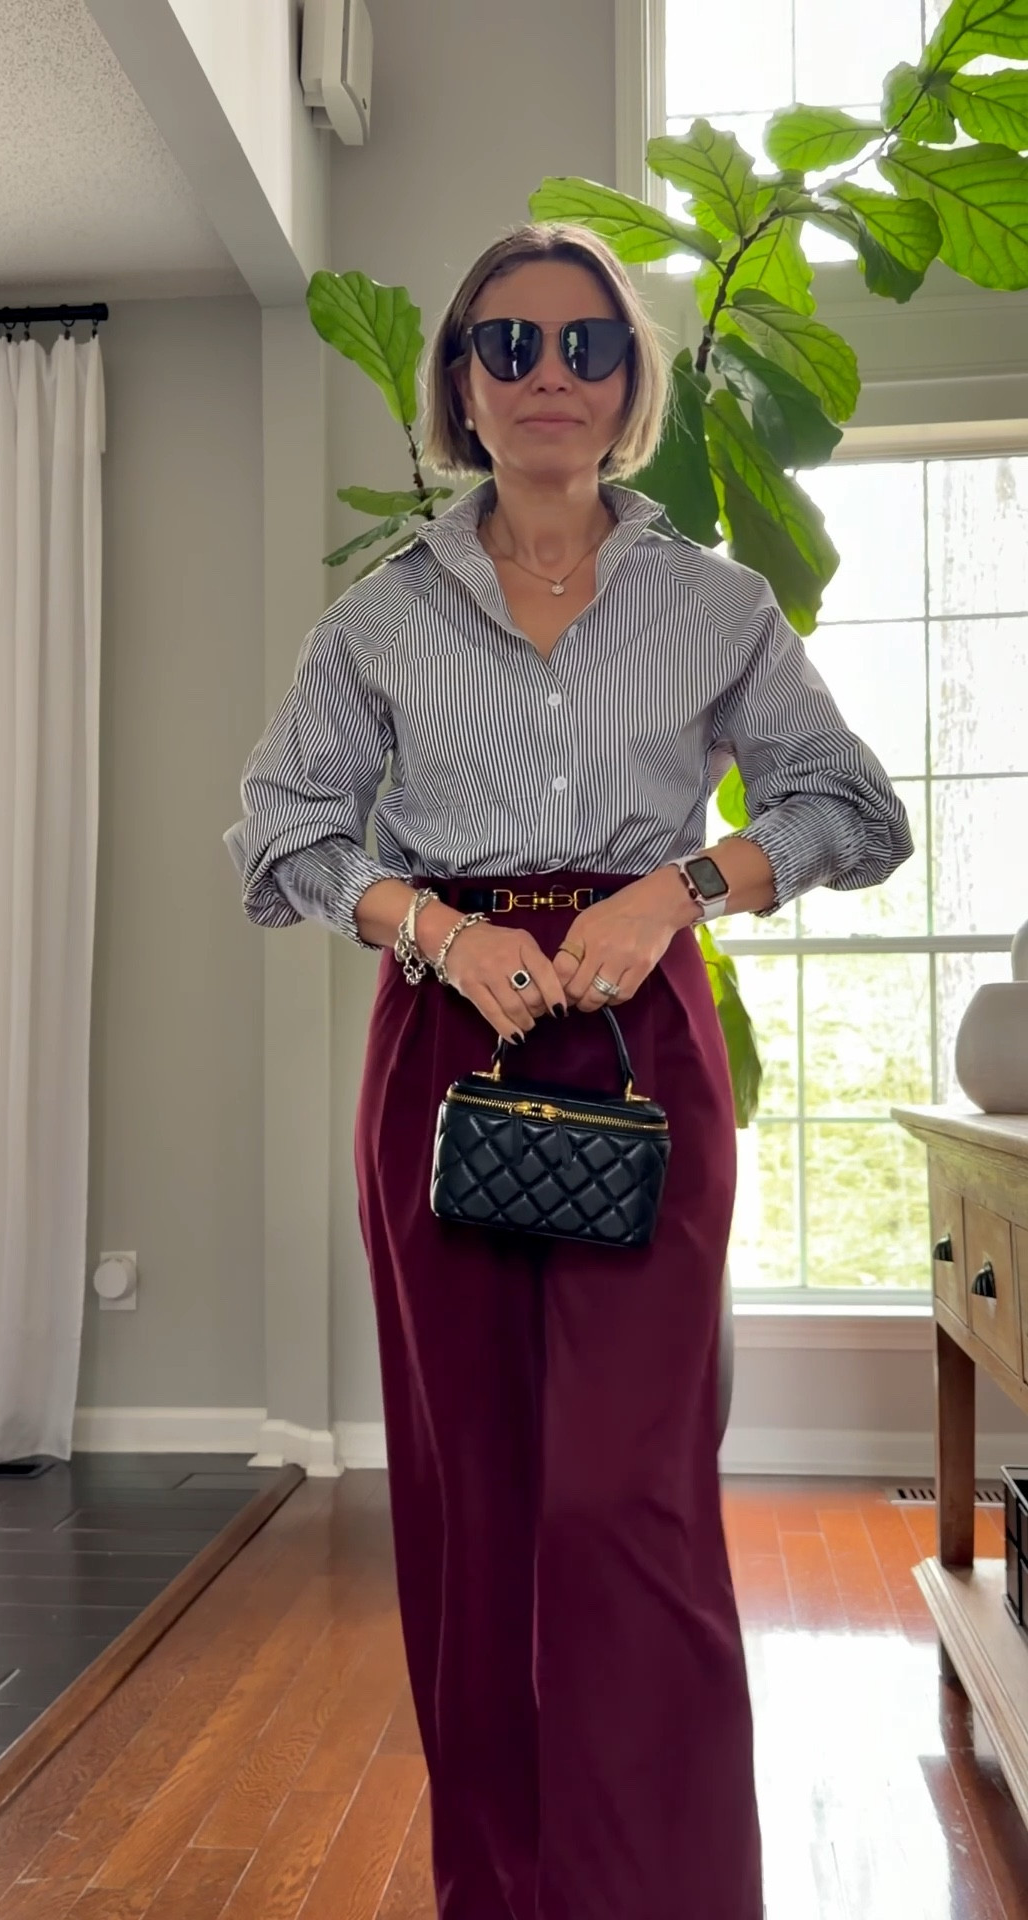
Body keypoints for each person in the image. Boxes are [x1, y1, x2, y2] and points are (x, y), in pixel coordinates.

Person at [225, 223, 913, 1920]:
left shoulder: (716, 605)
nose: (548, 377)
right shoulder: (378, 622)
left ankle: (666, 1892)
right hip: (442, 1052)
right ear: (461, 381)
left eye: (586, 345)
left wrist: (678, 890)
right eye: (509, 346)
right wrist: (441, 937)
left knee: (631, 1492)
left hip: (640, 1051)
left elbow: (853, 813)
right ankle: (509, 1895)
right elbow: (276, 840)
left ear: (630, 384)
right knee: (470, 1505)